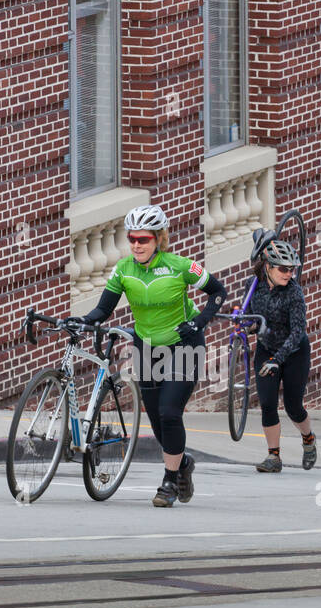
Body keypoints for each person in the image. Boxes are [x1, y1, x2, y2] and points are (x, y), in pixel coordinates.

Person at [80, 205, 228, 507]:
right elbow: (103, 310)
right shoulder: (123, 269)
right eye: (132, 238)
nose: (136, 245)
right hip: (147, 348)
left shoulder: (179, 265)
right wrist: (84, 321)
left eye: (143, 239)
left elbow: (218, 292)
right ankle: (183, 463)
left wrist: (197, 323)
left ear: (159, 239)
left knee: (170, 412)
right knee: (159, 421)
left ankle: (169, 482)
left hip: (184, 345)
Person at [246, 239, 316, 472]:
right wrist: (248, 327)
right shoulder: (254, 284)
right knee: (267, 403)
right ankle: (273, 456)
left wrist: (279, 359)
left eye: (292, 269)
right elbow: (249, 316)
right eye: (283, 269)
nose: (289, 274)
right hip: (267, 348)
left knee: (293, 406)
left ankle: (308, 438)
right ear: (268, 266)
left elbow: (298, 331)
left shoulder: (294, 293)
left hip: (294, 352)